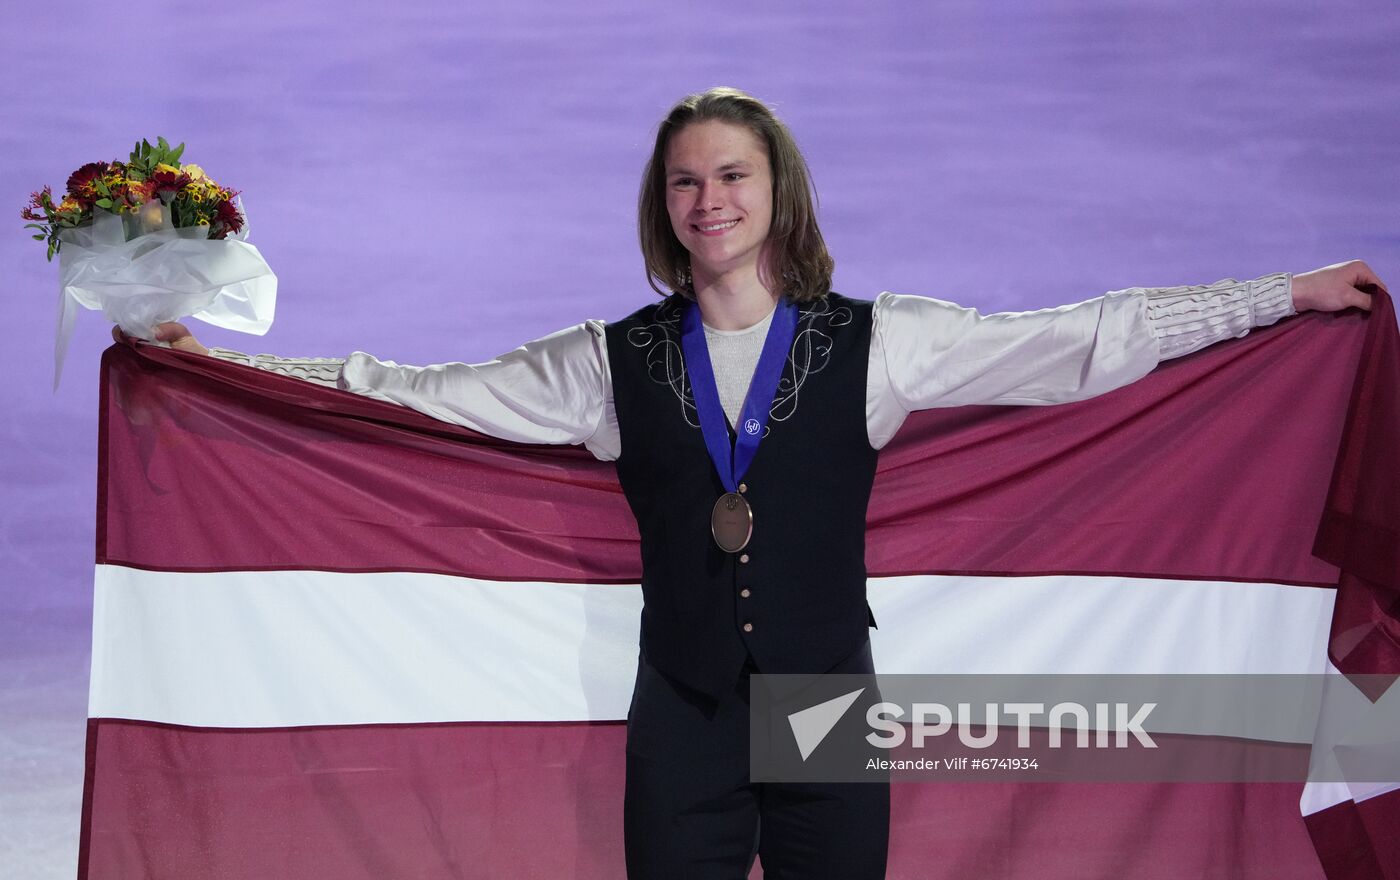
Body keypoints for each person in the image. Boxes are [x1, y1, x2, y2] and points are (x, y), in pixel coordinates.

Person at [137, 87, 1386, 879]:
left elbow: (1078, 339)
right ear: (661, 204)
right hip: (681, 708)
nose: (708, 200)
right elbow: (414, 391)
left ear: (777, 187)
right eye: (684, 181)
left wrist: (1277, 296)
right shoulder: (610, 362)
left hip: (825, 700)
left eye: (730, 174)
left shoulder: (879, 342)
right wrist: (228, 371)